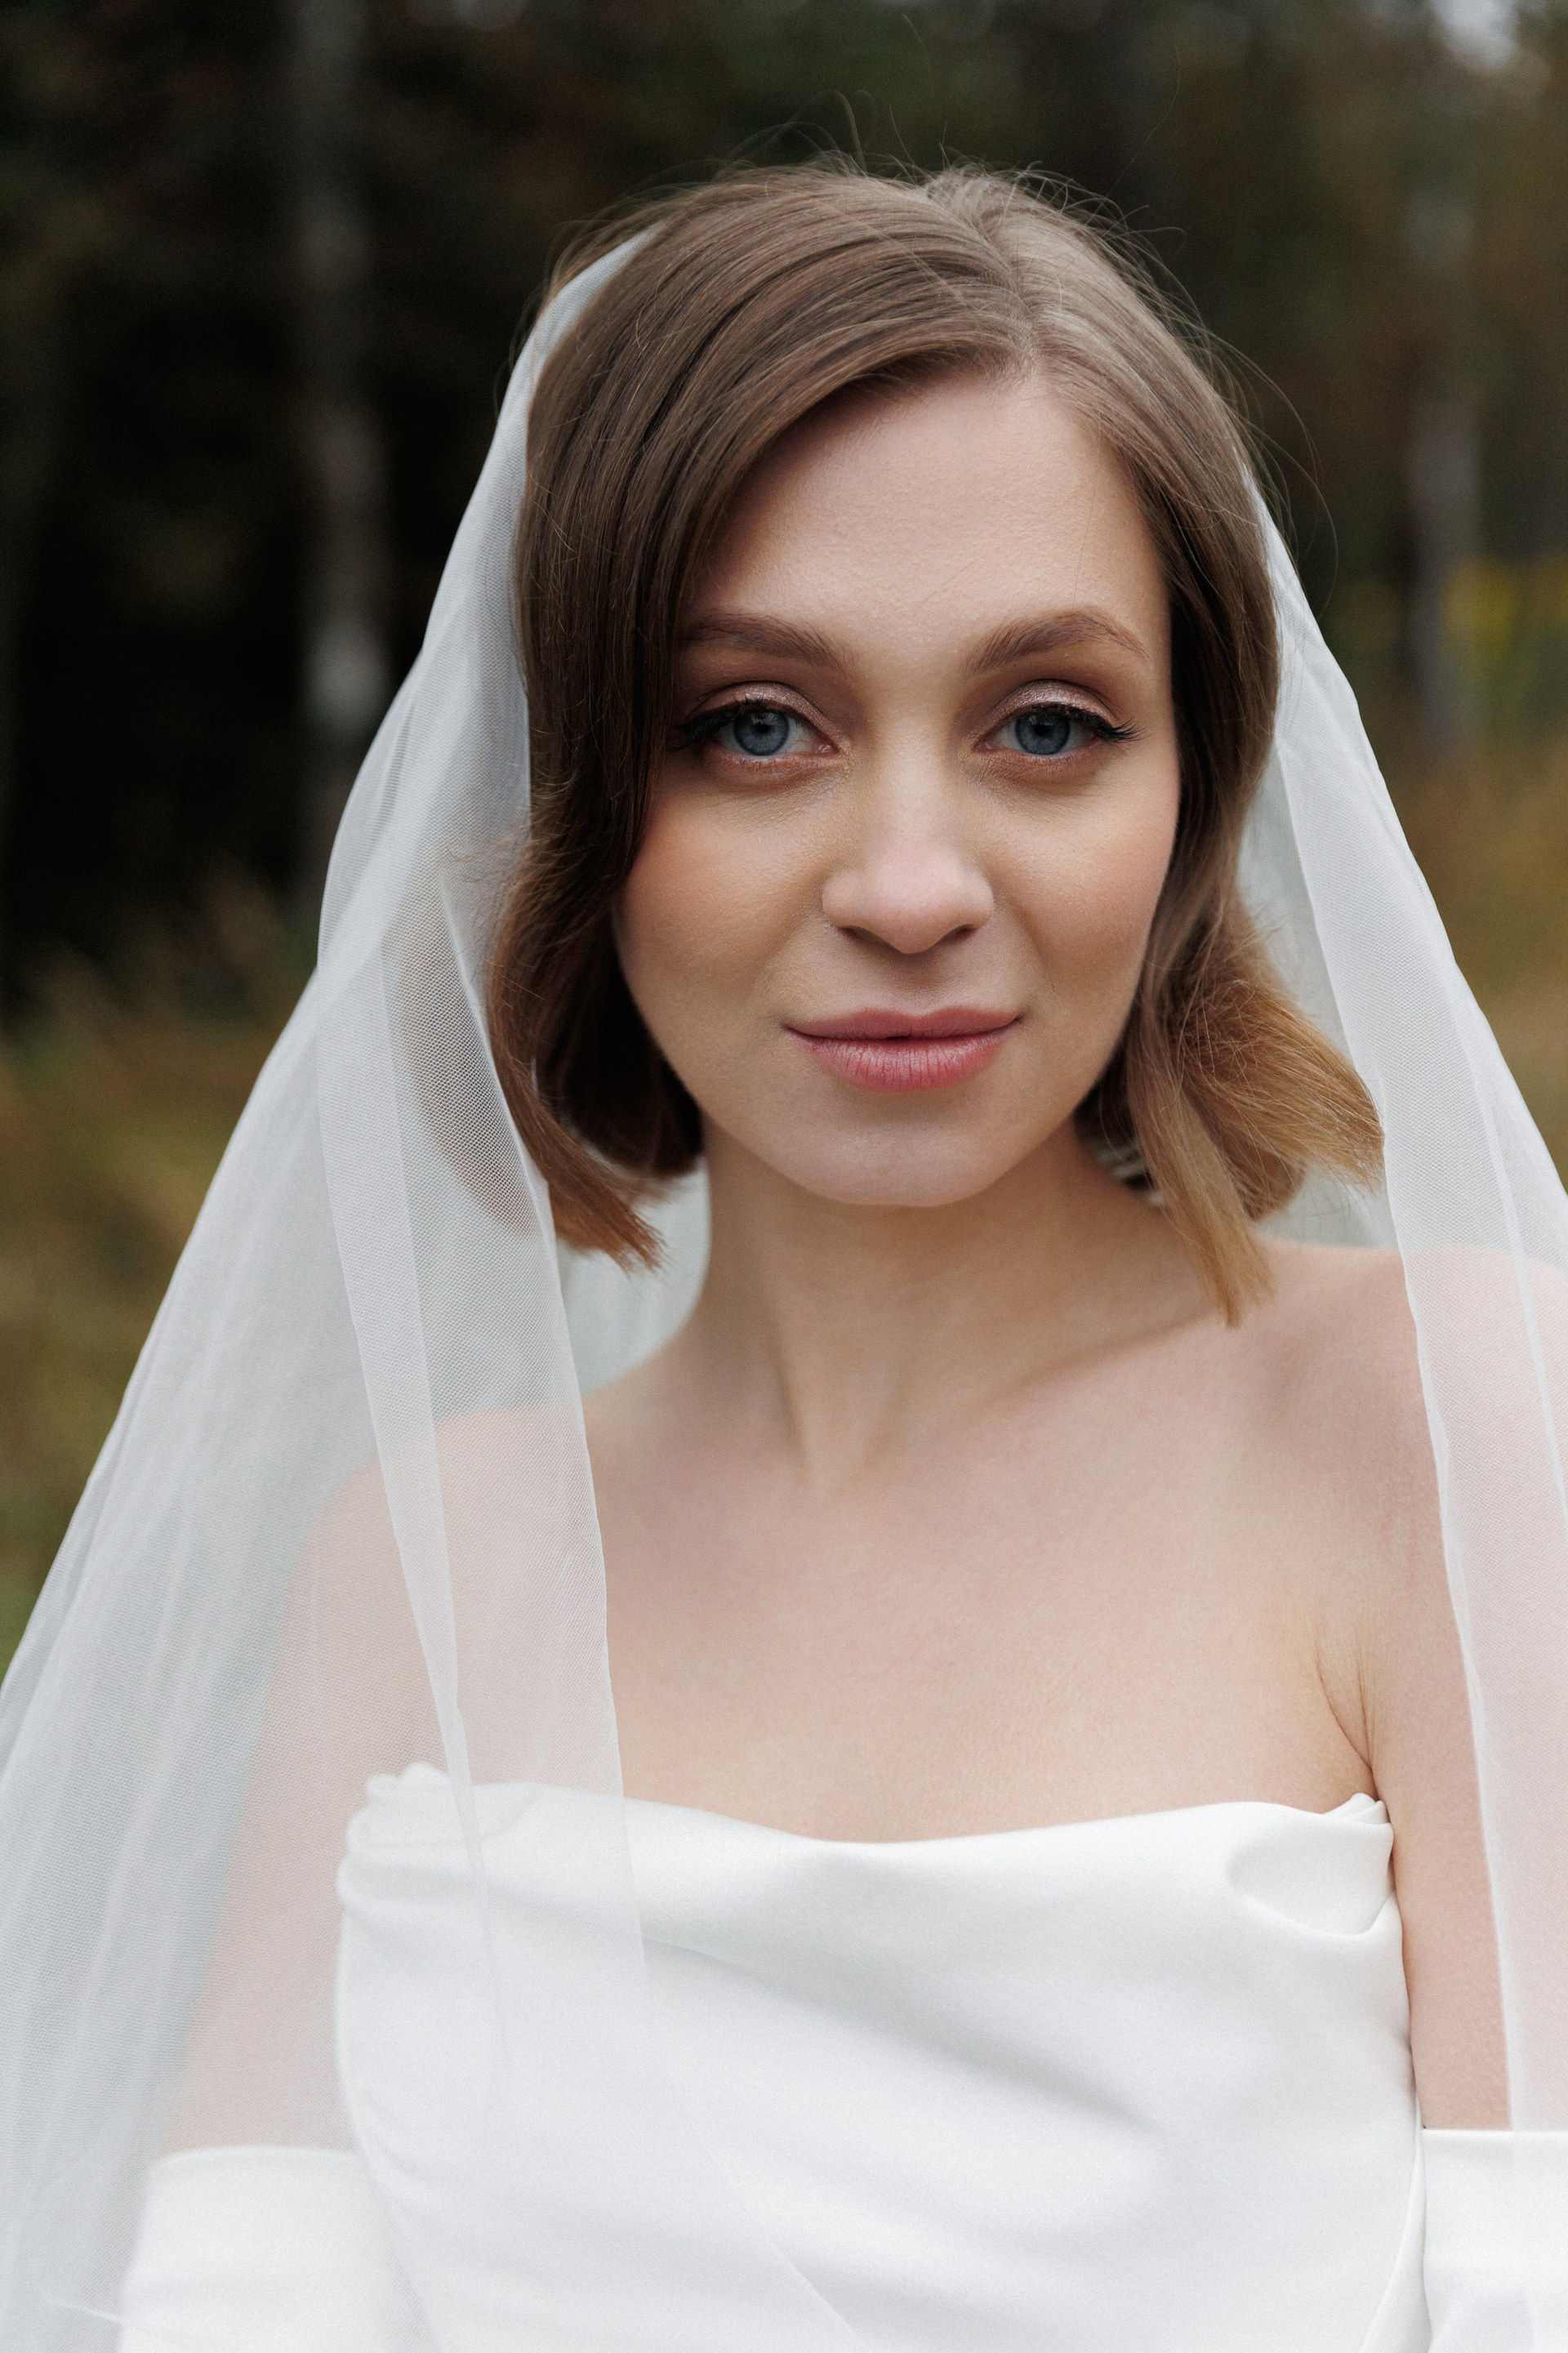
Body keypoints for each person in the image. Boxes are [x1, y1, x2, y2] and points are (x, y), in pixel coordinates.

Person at [2, 163, 1566, 2353]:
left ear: (1197, 798)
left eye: (1048, 723)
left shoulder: (1450, 1429)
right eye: (755, 723)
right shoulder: (420, 1564)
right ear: (579, 796)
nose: (911, 884)